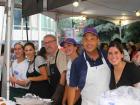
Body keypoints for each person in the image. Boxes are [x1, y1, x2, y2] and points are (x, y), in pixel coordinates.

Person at [68, 26, 111, 105]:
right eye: (86, 39)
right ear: (82, 42)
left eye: (92, 39)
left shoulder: (107, 56)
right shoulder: (77, 63)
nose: (89, 43)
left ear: (98, 41)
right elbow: (72, 88)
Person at [43, 35, 68, 105]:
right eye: (45, 43)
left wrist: (58, 94)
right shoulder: (50, 57)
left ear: (56, 42)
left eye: (50, 42)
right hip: (53, 90)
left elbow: (64, 74)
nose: (48, 45)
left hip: (62, 92)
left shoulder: (61, 55)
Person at [60, 38, 81, 105]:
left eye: (69, 45)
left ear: (75, 47)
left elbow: (80, 88)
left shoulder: (80, 62)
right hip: (70, 97)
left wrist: (71, 103)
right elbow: (68, 83)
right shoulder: (69, 62)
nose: (66, 48)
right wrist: (64, 100)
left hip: (78, 98)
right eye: (64, 47)